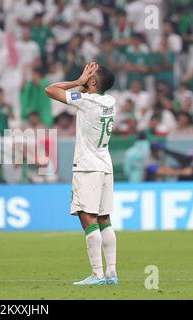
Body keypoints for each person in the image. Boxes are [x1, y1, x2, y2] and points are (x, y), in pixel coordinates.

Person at [45, 62, 118, 286]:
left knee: (88, 218)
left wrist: (78, 81)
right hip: (105, 165)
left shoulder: (86, 102)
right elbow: (91, 92)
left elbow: (50, 89)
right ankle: (112, 273)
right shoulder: (109, 101)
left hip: (87, 167)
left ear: (93, 82)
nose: (87, 75)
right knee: (105, 219)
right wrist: (89, 83)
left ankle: (97, 275)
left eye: (91, 74)